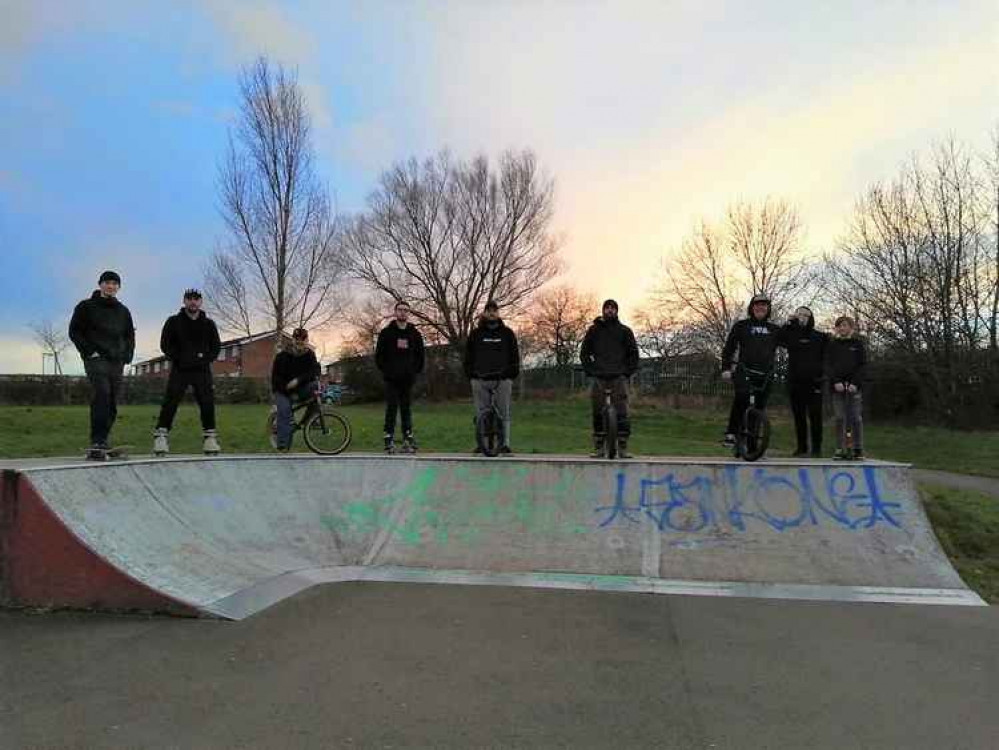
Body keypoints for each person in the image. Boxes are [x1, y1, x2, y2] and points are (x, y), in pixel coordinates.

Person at [69, 270, 136, 459]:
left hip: (116, 360)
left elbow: (130, 335)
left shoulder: (123, 311)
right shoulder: (86, 307)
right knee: (102, 394)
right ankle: (97, 440)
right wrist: (90, 351)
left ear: (118, 287)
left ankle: (104, 440)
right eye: (107, 283)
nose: (111, 286)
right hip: (96, 359)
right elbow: (74, 331)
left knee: (112, 400)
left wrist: (127, 355)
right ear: (100, 285)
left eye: (115, 284)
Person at [152, 289, 223, 456]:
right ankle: (161, 437)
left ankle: (210, 438)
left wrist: (205, 359)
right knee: (171, 400)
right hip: (180, 369)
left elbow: (216, 347)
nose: (193, 302)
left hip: (202, 370)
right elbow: (165, 344)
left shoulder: (208, 324)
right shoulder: (173, 322)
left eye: (196, 299)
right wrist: (178, 358)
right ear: (184, 301)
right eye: (190, 299)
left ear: (201, 302)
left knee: (207, 401)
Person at [580, 299, 639, 458]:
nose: (610, 310)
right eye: (607, 308)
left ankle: (622, 447)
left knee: (622, 412)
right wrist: (590, 370)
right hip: (599, 377)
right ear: (603, 310)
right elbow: (584, 353)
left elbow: (633, 354)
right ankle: (599, 447)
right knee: (597, 411)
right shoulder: (593, 331)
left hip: (618, 377)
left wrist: (627, 372)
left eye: (613, 308)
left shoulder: (625, 331)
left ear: (617, 311)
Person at [720, 293, 781, 448]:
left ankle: (753, 446)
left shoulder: (774, 329)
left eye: (764, 305)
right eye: (757, 305)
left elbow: (791, 343)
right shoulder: (742, 326)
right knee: (742, 397)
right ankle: (731, 433)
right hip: (744, 370)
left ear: (768, 309)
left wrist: (794, 325)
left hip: (765, 373)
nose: (761, 307)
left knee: (759, 408)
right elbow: (729, 348)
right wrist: (726, 368)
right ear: (752, 308)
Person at [464, 300, 520, 455]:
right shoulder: (476, 334)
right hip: (480, 379)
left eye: (494, 310)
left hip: (502, 379)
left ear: (498, 312)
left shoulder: (507, 333)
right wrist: (471, 375)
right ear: (484, 313)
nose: (491, 312)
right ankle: (482, 445)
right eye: (488, 310)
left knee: (503, 412)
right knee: (481, 412)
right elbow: (468, 357)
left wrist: (510, 374)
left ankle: (505, 444)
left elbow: (515, 357)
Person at [375, 301, 425, 453]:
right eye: (400, 310)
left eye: (405, 310)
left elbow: (420, 356)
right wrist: (387, 371)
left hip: (407, 379)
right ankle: (388, 438)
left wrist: (414, 371)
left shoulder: (414, 334)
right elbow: (379, 356)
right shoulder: (386, 333)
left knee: (406, 409)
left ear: (408, 314)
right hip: (391, 379)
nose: (403, 312)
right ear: (395, 312)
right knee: (391, 408)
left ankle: (407, 438)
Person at [779, 306, 828, 457]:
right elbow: (779, 339)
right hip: (795, 383)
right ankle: (802, 447)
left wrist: (822, 376)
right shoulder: (791, 335)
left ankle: (817, 448)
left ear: (811, 317)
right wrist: (788, 324)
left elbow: (827, 359)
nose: (803, 317)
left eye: (806, 315)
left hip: (814, 383)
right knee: (799, 416)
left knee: (815, 416)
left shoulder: (820, 337)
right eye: (799, 314)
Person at [271, 327, 322, 452]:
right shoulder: (282, 356)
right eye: (297, 340)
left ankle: (309, 421)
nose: (300, 342)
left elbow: (314, 371)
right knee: (285, 412)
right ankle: (282, 442)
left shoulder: (309, 354)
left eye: (303, 340)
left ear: (306, 340)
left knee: (317, 387)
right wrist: (286, 387)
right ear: (293, 340)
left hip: (300, 389)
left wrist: (298, 381)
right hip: (282, 391)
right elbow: (275, 378)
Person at [825, 315, 867, 461]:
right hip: (837, 388)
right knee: (840, 418)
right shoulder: (832, 345)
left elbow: (862, 366)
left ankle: (857, 448)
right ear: (836, 328)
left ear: (851, 328)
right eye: (840, 326)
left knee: (855, 418)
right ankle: (840, 448)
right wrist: (836, 382)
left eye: (845, 325)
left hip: (854, 388)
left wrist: (855, 383)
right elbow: (828, 366)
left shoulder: (858, 344)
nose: (842, 328)